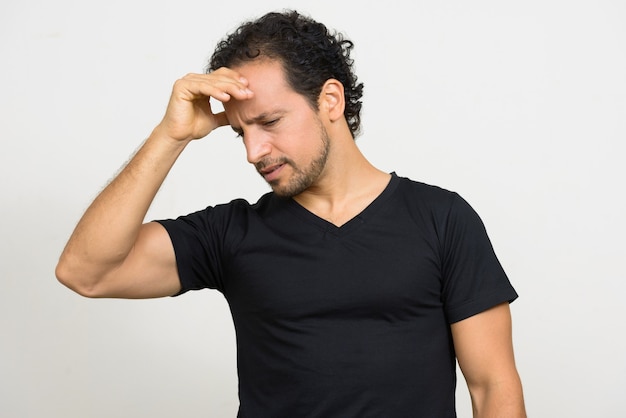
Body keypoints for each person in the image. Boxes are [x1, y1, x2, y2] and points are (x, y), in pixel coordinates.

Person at [56, 10, 526, 417]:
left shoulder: (442, 219)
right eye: (241, 132)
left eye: (270, 122)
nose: (254, 152)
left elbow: (492, 388)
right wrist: (170, 135)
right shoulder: (231, 233)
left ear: (330, 101)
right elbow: (86, 271)